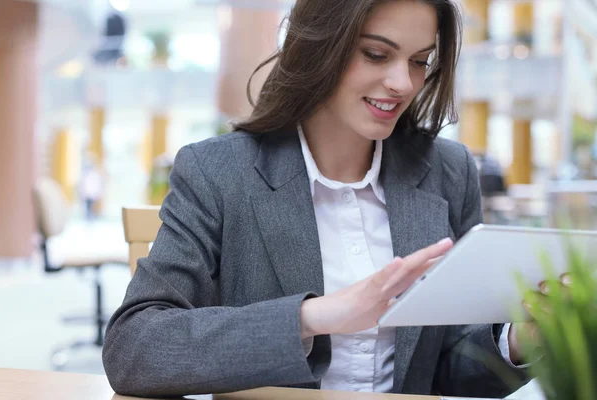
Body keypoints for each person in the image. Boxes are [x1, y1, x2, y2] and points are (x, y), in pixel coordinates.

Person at [103, 0, 531, 397]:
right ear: (320, 47)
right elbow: (134, 348)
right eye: (376, 54)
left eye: (419, 61)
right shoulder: (218, 173)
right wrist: (314, 318)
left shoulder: (448, 172)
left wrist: (519, 340)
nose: (403, 83)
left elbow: (448, 367)